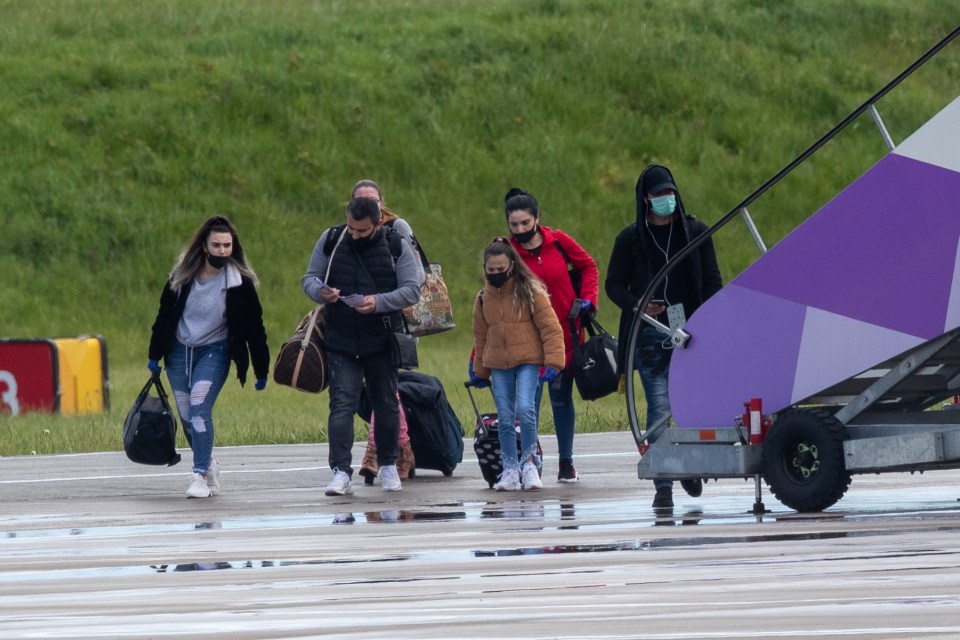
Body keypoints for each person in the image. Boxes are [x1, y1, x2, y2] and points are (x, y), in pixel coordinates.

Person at [605, 164, 723, 511]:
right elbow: (613, 284)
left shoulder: (695, 230)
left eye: (670, 193)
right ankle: (663, 482)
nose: (666, 200)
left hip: (690, 331)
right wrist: (638, 303)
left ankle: (688, 466)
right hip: (650, 335)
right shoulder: (630, 239)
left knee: (691, 404)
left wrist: (710, 320)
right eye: (658, 195)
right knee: (659, 406)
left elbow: (713, 280)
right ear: (646, 199)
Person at [302, 197, 421, 496]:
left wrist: (378, 302)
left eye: (362, 231)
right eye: (351, 228)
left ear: (378, 223)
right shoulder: (331, 238)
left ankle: (389, 465)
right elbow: (308, 279)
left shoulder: (396, 244)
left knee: (385, 403)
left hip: (381, 338)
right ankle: (340, 472)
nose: (354, 235)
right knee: (341, 405)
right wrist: (322, 292)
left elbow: (411, 289)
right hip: (340, 338)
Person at [148, 215, 270, 499]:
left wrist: (261, 368)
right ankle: (210, 464)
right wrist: (154, 355)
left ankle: (199, 474)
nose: (222, 251)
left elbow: (255, 327)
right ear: (204, 246)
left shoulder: (240, 283)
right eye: (216, 245)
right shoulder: (182, 278)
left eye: (227, 246)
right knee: (188, 415)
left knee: (199, 407)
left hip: (215, 351)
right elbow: (164, 316)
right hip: (179, 351)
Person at [504, 188, 600, 483]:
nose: (520, 230)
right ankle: (530, 459)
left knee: (560, 399)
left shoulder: (558, 241)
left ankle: (566, 462)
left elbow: (588, 266)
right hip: (529, 342)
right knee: (527, 404)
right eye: (514, 224)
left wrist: (588, 300)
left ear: (536, 219)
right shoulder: (508, 253)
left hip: (565, 337)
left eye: (525, 223)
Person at [470, 240, 565, 492]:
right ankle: (510, 468)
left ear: (512, 265)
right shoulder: (482, 299)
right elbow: (480, 337)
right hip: (499, 364)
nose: (496, 273)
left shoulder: (531, 291)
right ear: (485, 269)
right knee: (504, 418)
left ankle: (530, 462)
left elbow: (551, 328)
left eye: (501, 268)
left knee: (525, 408)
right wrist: (480, 369)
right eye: (491, 270)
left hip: (528, 361)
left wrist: (554, 361)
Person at [350, 179, 423, 484]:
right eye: (361, 199)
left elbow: (417, 276)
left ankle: (379, 451)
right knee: (379, 390)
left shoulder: (398, 229)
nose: (368, 203)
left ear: (382, 201)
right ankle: (393, 450)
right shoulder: (350, 232)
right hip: (359, 325)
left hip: (397, 320)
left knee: (386, 390)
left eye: (373, 199)